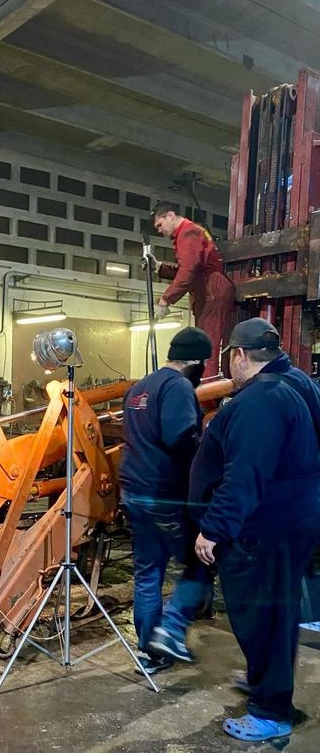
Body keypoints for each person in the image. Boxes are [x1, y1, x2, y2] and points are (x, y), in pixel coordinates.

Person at [190, 317, 320, 741]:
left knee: (260, 615)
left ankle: (269, 710)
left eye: (229, 357)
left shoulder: (259, 402)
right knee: (277, 613)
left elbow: (244, 476)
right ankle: (267, 679)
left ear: (240, 356)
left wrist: (214, 528)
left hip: (260, 529)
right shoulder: (296, 385)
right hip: (291, 521)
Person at [119, 327, 214, 675]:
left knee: (148, 572)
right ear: (196, 361)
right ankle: (170, 631)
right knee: (200, 563)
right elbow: (181, 438)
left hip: (133, 490)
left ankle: (151, 653)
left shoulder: (138, 388)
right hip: (163, 494)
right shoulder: (178, 387)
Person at [151, 202, 236, 379]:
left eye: (160, 225)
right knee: (205, 346)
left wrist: (166, 299)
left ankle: (208, 396)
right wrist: (159, 267)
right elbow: (191, 270)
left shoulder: (188, 232)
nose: (160, 230)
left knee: (207, 347)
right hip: (207, 290)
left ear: (170, 216)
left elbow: (188, 271)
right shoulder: (192, 232)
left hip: (210, 291)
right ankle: (206, 390)